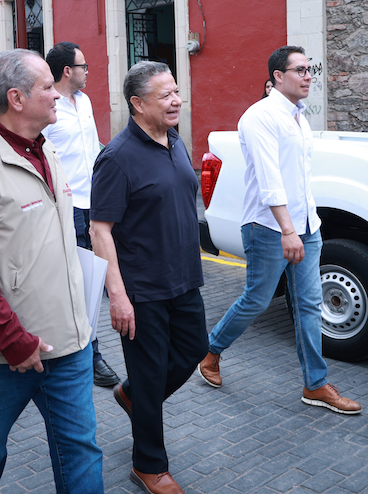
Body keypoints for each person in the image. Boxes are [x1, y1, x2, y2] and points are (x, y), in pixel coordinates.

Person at [0, 49, 103, 494]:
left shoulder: (47, 149)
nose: (57, 95)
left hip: (68, 345)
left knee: (81, 450)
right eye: (48, 87)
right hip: (1, 354)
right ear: (16, 98)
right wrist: (13, 341)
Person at [198, 46, 361, 415]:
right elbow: (269, 179)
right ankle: (211, 351)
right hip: (269, 228)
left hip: (306, 226)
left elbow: (299, 177)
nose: (308, 76)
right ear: (277, 76)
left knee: (309, 304)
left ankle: (315, 384)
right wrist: (288, 231)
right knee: (256, 300)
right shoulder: (260, 117)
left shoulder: (298, 117)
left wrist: (306, 225)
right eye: (300, 70)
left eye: (309, 69)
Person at [90, 61, 208, 494]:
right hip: (142, 288)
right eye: (166, 95)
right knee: (152, 371)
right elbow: (99, 230)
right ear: (138, 104)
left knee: (194, 349)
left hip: (184, 277)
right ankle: (149, 465)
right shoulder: (117, 157)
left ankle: (133, 394)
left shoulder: (174, 141)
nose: (177, 101)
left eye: (176, 91)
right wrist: (118, 295)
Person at [42, 41, 120, 388]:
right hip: (66, 205)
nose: (88, 71)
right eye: (83, 66)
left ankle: (81, 348)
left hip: (95, 203)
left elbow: (93, 149)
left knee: (93, 278)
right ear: (67, 71)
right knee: (78, 283)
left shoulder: (84, 102)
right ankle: (91, 356)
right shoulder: (48, 106)